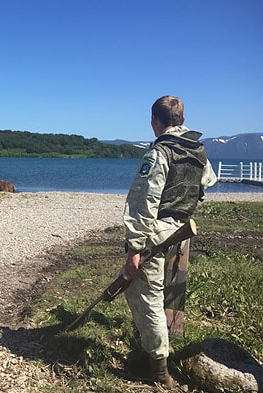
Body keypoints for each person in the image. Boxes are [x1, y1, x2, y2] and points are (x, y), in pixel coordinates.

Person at [123, 95, 217, 387]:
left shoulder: (159, 152)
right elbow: (207, 181)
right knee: (172, 293)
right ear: (182, 120)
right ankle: (165, 345)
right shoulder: (197, 150)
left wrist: (135, 247)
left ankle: (159, 368)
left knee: (145, 295)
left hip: (157, 232)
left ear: (154, 120)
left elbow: (144, 201)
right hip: (182, 232)